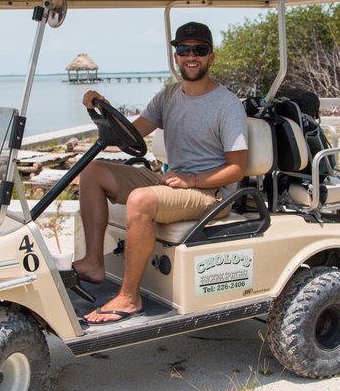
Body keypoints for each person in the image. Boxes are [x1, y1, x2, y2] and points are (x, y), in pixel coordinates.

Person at [75, 22, 249, 324]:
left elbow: (237, 168)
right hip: (175, 181)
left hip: (210, 193)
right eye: (184, 50)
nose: (191, 56)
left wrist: (193, 180)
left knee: (141, 200)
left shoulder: (227, 105)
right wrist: (102, 108)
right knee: (91, 172)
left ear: (211, 57)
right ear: (176, 56)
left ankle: (130, 298)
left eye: (199, 50)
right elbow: (131, 133)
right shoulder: (168, 96)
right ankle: (93, 262)